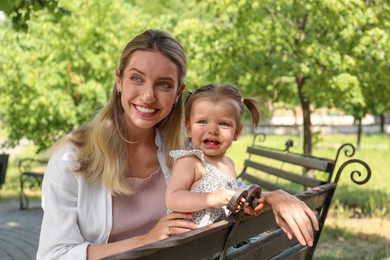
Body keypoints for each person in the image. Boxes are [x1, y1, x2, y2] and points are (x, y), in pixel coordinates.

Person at [37, 29, 318, 260]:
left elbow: (222, 191)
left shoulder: (183, 151)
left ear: (177, 93)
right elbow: (55, 254)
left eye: (163, 84)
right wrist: (146, 241)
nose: (148, 96)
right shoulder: (72, 160)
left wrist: (275, 196)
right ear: (119, 80)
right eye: (136, 78)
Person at [166, 83, 263, 227]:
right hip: (188, 240)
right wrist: (211, 199)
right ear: (189, 128)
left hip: (219, 239)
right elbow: (173, 199)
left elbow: (227, 204)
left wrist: (243, 205)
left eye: (223, 124)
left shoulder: (228, 164)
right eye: (202, 122)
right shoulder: (191, 161)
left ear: (236, 132)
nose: (212, 130)